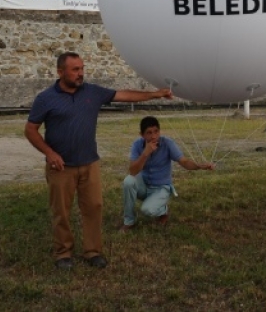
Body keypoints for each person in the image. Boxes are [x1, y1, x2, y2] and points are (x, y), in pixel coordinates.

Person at [25, 52, 172, 270]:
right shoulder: (46, 98)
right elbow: (30, 130)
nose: (80, 73)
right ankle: (63, 253)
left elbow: (124, 95)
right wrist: (49, 153)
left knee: (94, 207)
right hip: (61, 167)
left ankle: (92, 251)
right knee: (61, 211)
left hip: (89, 164)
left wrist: (155, 94)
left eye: (82, 68)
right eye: (75, 69)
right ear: (60, 72)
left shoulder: (92, 92)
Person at [121, 116, 215, 230]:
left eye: (156, 131)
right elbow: (132, 171)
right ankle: (129, 221)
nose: (153, 136)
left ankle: (163, 209)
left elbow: (184, 162)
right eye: (149, 133)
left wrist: (199, 166)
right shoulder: (137, 144)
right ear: (142, 135)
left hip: (161, 187)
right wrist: (145, 153)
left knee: (147, 210)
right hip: (144, 184)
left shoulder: (167, 143)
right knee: (128, 181)